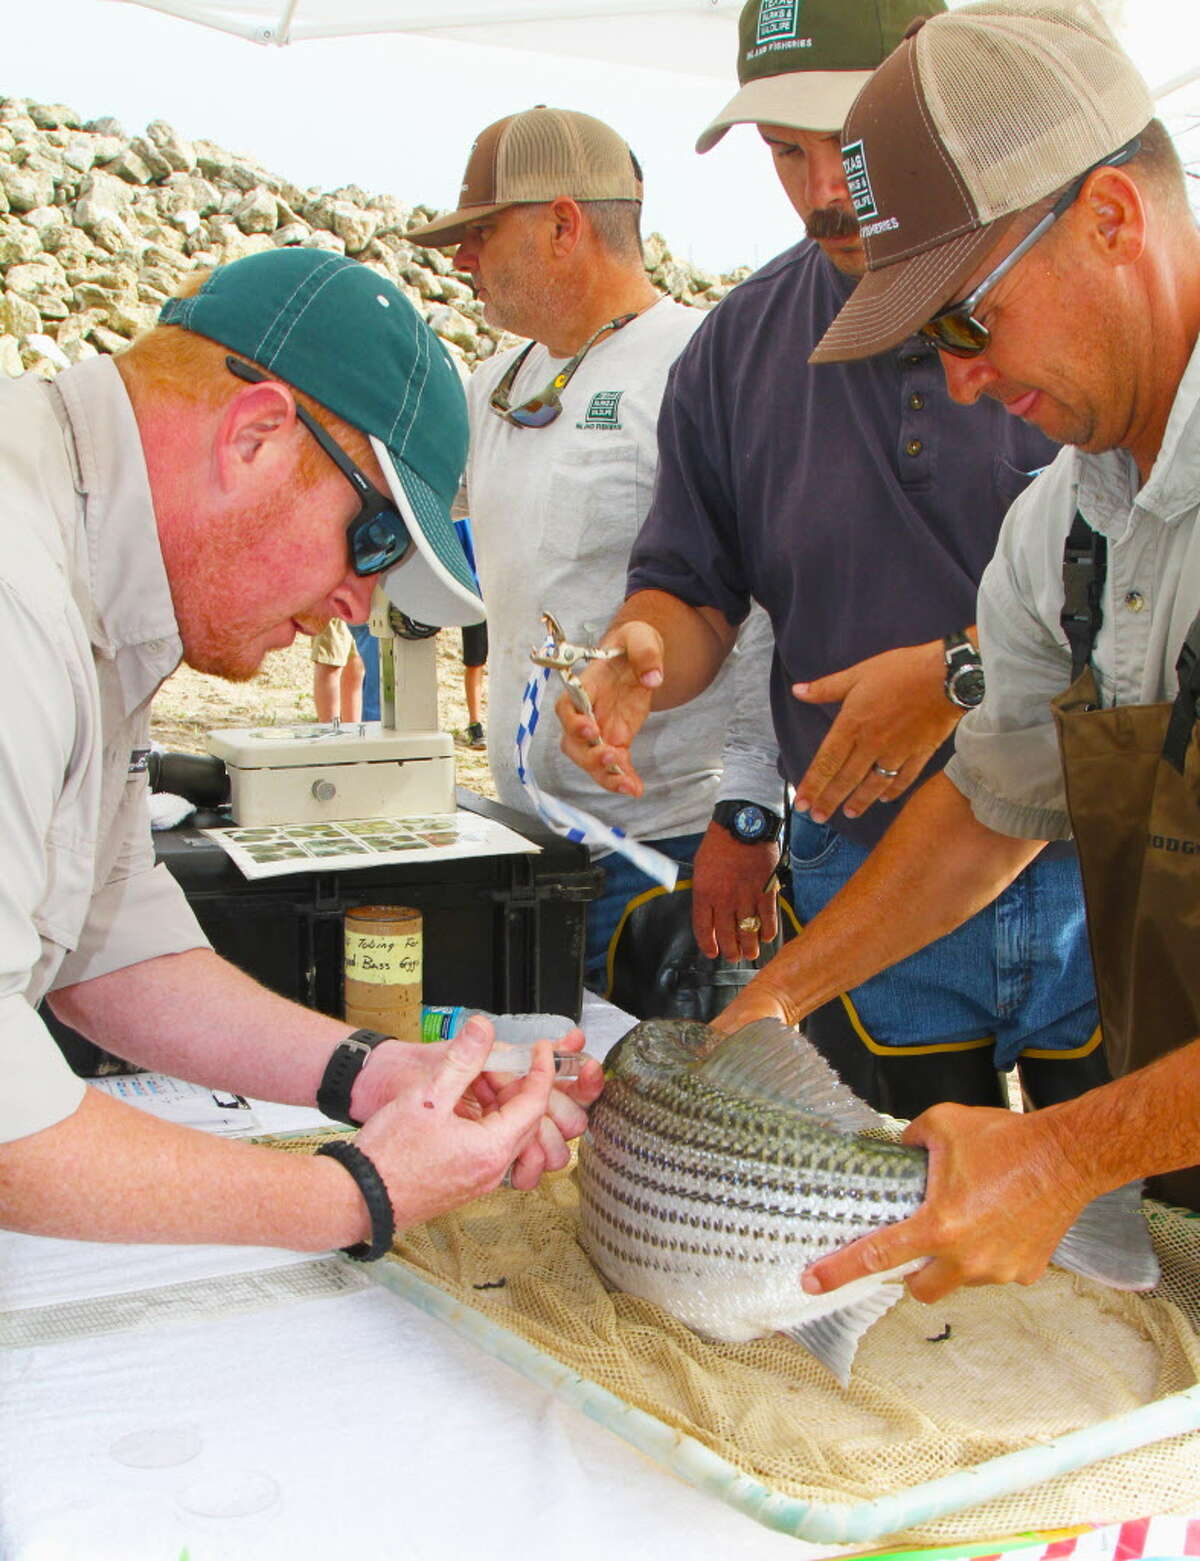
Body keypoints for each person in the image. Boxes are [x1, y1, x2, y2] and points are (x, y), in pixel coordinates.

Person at [580, 0, 1200, 1298]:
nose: (959, 379)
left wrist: (1068, 1147)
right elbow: (992, 806)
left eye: (965, 320)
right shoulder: (1061, 523)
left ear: (1111, 220)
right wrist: (769, 1007)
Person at [2, 246, 601, 1256]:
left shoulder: (94, 560)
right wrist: (358, 1195)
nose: (357, 606)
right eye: (370, 543)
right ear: (255, 435)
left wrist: (378, 1073)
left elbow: (109, 939)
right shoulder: (20, 593)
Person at [407, 106, 782, 1009]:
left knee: (685, 1137)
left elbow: (769, 604)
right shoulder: (503, 379)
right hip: (533, 849)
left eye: (481, 234)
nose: (461, 262)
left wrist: (749, 812)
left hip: (674, 853)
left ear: (563, 225)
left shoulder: (697, 363)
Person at [311, 616, 366, 723]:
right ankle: (330, 732)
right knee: (331, 660)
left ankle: (353, 733)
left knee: (356, 663)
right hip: (329, 602)